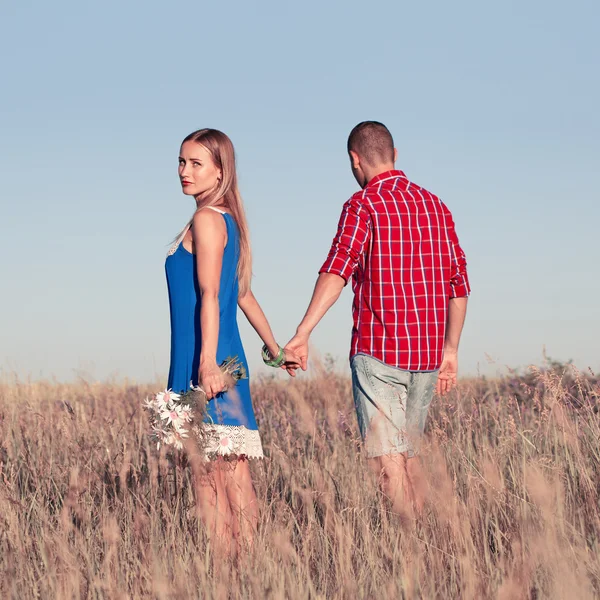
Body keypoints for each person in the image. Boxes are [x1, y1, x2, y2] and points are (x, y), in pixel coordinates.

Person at [285, 121, 470, 515]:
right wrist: (450, 350)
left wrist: (303, 333)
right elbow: (458, 285)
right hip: (426, 359)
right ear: (395, 155)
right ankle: (430, 548)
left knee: (388, 464)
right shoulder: (437, 206)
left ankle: (406, 556)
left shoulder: (362, 204)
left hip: (379, 353)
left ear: (355, 160)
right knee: (409, 455)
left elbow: (338, 269)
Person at [165, 128, 297, 554]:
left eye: (196, 163)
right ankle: (251, 575)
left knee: (208, 477)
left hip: (204, 360)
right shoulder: (226, 219)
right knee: (233, 473)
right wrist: (276, 351)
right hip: (226, 357)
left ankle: (224, 577)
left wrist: (204, 363)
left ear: (220, 171)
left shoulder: (206, 220)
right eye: (182, 162)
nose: (185, 171)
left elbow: (210, 296)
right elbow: (241, 294)